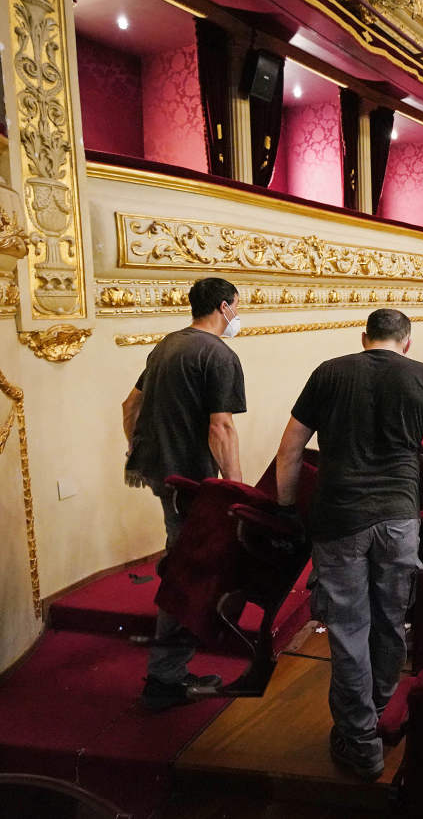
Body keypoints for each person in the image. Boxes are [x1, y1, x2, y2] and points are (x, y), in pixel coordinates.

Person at [272, 308, 423, 781]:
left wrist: (283, 510)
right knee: (390, 621)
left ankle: (359, 741)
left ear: (364, 337)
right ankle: (379, 708)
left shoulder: (329, 372)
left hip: (338, 518)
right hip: (399, 519)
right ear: (407, 342)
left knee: (347, 627)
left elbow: (290, 450)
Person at [121, 276, 247, 711]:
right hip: (193, 481)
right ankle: (165, 678)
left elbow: (129, 406)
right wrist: (236, 489)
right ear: (226, 307)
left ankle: (171, 661)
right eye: (237, 306)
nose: (237, 314)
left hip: (161, 474)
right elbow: (221, 427)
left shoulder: (167, 345)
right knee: (189, 572)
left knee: (183, 555)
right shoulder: (218, 354)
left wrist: (140, 448)